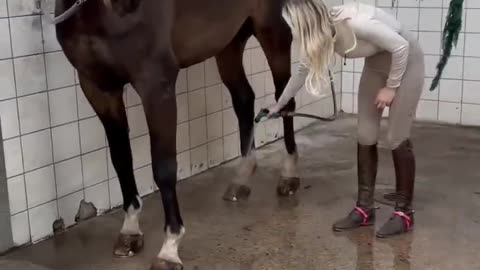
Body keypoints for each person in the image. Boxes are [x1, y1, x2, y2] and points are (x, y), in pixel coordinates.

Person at [268, 0, 425, 237]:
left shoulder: (356, 23)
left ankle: (404, 213)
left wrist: (391, 88)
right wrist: (278, 105)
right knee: (365, 134)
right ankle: (365, 209)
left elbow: (401, 47)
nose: (292, 31)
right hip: (376, 67)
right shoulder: (319, 35)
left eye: (293, 25)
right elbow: (301, 71)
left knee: (396, 137)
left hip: (406, 61)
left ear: (305, 22)